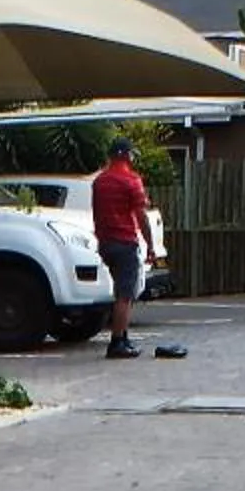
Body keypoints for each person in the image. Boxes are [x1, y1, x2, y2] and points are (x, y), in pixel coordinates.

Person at [90, 139, 152, 359]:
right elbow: (141, 216)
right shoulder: (131, 180)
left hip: (106, 243)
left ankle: (123, 337)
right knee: (125, 295)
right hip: (125, 242)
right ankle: (117, 342)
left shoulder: (99, 181)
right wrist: (150, 244)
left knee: (120, 291)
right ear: (126, 155)